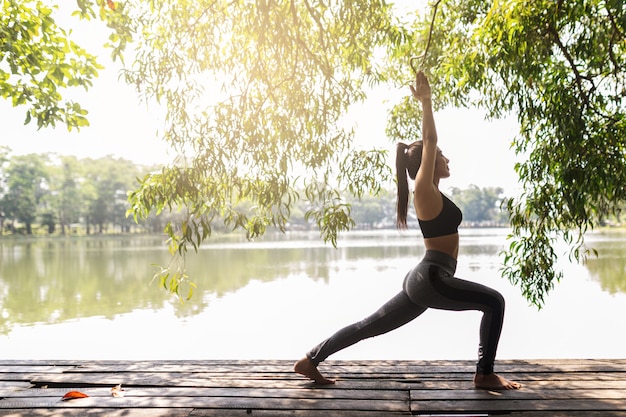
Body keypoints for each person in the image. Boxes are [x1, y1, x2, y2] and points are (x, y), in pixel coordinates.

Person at [294, 71, 521, 390]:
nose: (446, 158)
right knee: (495, 302)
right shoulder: (423, 191)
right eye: (442, 156)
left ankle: (310, 359)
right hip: (432, 278)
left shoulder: (433, 193)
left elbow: (432, 147)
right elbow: (430, 141)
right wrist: (426, 102)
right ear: (427, 164)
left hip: (425, 278)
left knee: (368, 325)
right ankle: (484, 374)